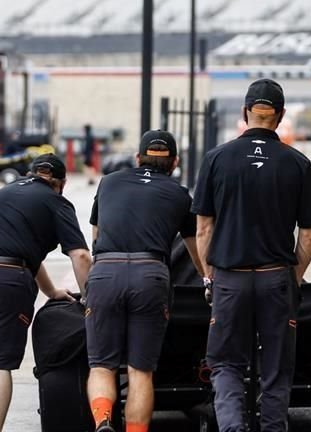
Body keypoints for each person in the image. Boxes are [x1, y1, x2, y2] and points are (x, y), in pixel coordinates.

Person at [192, 78, 311, 432]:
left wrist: (209, 275)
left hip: (230, 279)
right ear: (279, 117)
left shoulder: (216, 159)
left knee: (225, 363)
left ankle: (232, 427)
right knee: (277, 366)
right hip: (275, 276)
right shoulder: (297, 163)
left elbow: (203, 228)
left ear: (245, 113)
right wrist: (291, 278)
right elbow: (308, 235)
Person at [0, 153, 92, 432]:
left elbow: (27, 256)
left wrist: (50, 291)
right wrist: (89, 299)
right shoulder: (56, 202)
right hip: (9, 277)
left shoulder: (2, 194)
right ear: (61, 183)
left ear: (30, 173)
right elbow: (81, 256)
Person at [85, 130, 205, 432]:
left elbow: (96, 237)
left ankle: (103, 420)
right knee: (141, 372)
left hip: (106, 271)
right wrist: (209, 280)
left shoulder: (109, 183)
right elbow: (196, 250)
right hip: (150, 275)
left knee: (101, 365)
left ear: (138, 158)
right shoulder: (179, 194)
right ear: (174, 162)